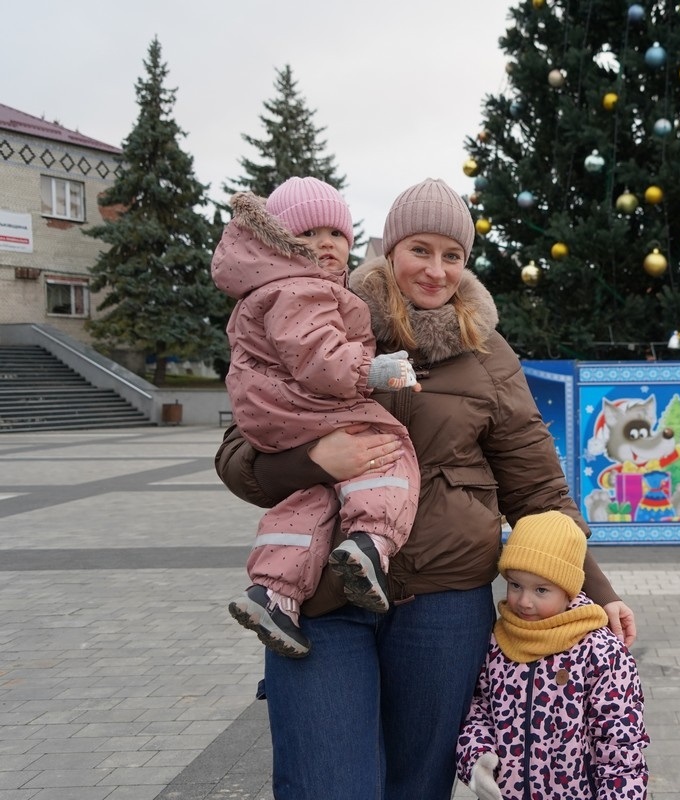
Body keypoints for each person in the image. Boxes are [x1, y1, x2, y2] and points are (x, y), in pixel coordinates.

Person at [214, 177, 637, 800]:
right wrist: (314, 461)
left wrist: (597, 594)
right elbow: (236, 453)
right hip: (325, 598)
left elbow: (537, 489)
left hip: (444, 606)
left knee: (420, 786)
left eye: (453, 255)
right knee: (326, 784)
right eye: (420, 250)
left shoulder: (488, 355)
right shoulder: (321, 318)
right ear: (389, 250)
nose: (436, 271)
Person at [211, 177, 421, 659]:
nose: (324, 243)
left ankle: (274, 592)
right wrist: (375, 370)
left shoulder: (271, 286)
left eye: (336, 234)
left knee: (309, 499)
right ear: (279, 242)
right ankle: (371, 541)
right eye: (307, 234)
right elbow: (318, 357)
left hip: (271, 414)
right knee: (387, 447)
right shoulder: (301, 288)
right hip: (300, 405)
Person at [456, 511, 649, 800]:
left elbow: (620, 744)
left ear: (569, 591)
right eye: (515, 585)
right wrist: (477, 758)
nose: (524, 601)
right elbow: (479, 709)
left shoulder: (600, 651)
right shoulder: (499, 640)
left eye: (541, 590)